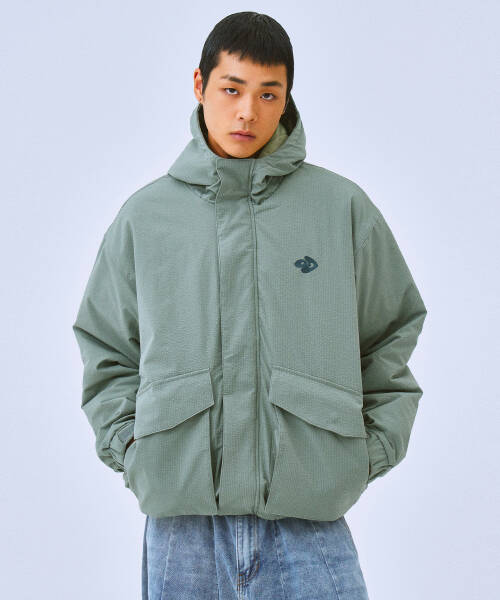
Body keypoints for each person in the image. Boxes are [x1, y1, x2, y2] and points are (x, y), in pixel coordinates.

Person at [72, 11, 427, 600]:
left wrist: (368, 453)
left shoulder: (340, 209)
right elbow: (107, 345)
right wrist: (130, 449)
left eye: (268, 94)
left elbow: (391, 329)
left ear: (286, 99)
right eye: (232, 89)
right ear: (200, 85)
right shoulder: (146, 218)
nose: (248, 112)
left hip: (310, 521)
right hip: (182, 526)